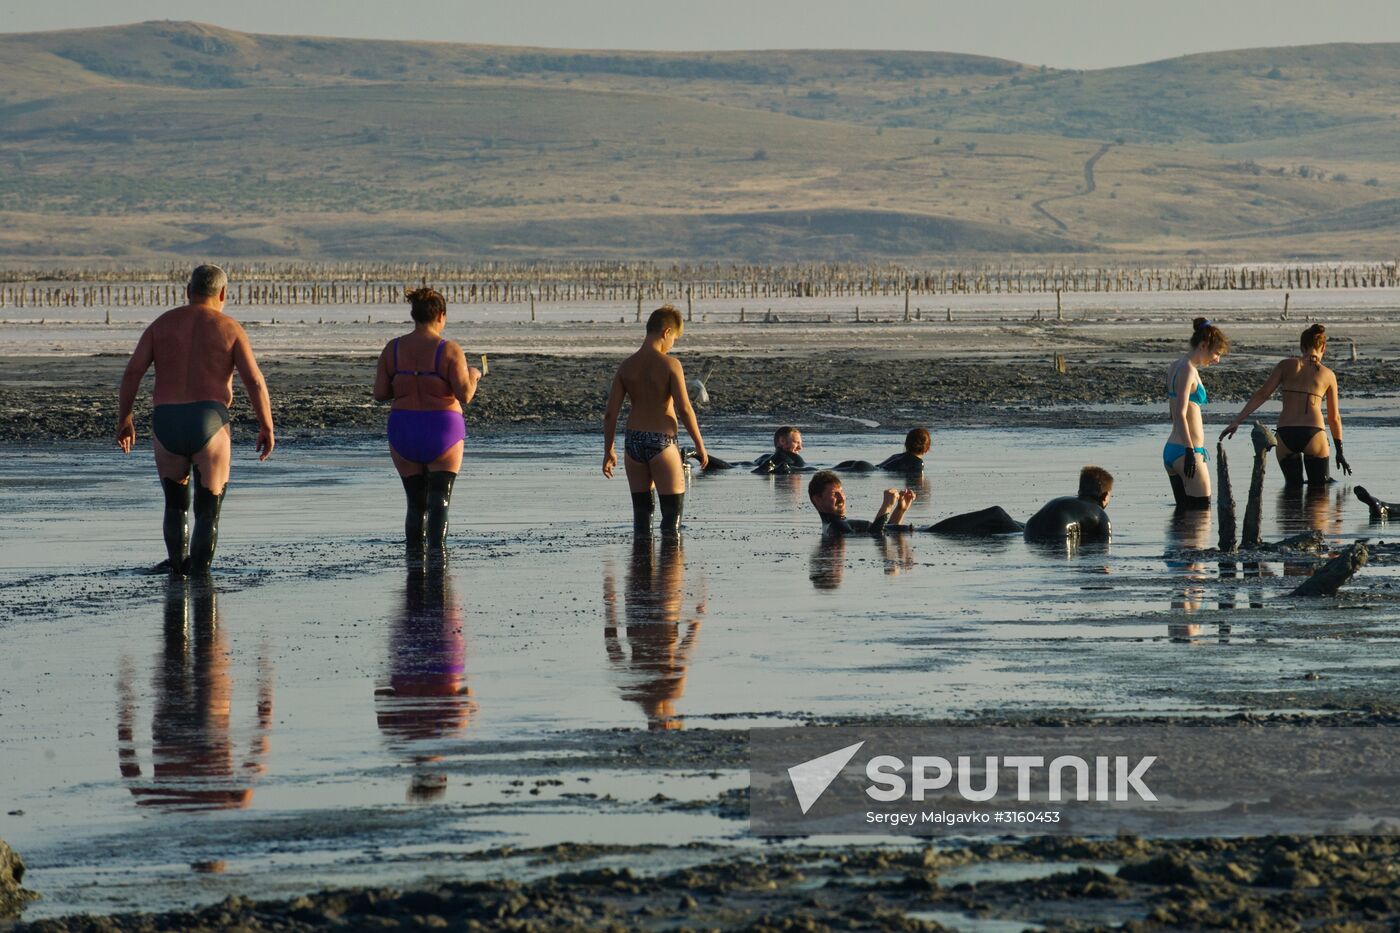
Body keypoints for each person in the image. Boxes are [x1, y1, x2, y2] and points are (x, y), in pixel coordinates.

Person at [117, 264, 274, 576]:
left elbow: (133, 372)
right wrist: (266, 425)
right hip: (210, 420)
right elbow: (254, 382)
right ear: (223, 294)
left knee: (175, 506)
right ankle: (201, 580)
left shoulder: (160, 325)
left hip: (167, 421)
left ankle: (177, 570)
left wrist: (125, 418)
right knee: (207, 512)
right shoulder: (230, 328)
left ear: (188, 291)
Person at [374, 287, 481, 569]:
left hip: (404, 429)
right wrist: (474, 374)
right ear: (441, 317)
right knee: (439, 501)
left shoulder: (393, 349)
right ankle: (437, 567)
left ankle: (413, 566)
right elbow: (465, 394)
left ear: (414, 315)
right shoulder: (449, 350)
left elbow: (380, 393)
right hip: (442, 429)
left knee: (415, 504)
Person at [603, 306, 708, 533]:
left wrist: (608, 450)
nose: (673, 345)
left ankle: (640, 568)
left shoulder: (626, 366)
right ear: (666, 332)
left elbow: (611, 413)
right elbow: (685, 409)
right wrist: (700, 445)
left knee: (642, 519)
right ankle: (671, 568)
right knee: (672, 520)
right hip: (663, 442)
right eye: (675, 339)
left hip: (634, 443)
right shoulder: (670, 365)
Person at [1220, 324, 1350, 487]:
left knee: (1292, 491)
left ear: (1302, 346)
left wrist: (1237, 421)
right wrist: (1340, 451)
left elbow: (1262, 394)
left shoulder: (1285, 366)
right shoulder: (1328, 374)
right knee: (1319, 493)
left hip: (1285, 434)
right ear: (1323, 347)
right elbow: (1334, 418)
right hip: (1314, 433)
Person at [1164, 318, 1230, 509]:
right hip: (1186, 452)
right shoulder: (1188, 370)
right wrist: (1190, 451)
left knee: (1182, 522)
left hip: (1172, 449)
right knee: (1201, 515)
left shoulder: (1175, 365)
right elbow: (1180, 412)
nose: (1217, 359)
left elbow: (1172, 414)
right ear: (1203, 346)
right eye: (1216, 353)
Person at [807, 470, 915, 535]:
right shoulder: (835, 526)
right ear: (817, 499)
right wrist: (886, 507)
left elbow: (886, 531)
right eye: (835, 493)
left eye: (841, 491)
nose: (842, 497)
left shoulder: (837, 525)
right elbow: (876, 536)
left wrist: (900, 510)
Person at [1024, 466, 1114, 542]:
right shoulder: (1100, 513)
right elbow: (1105, 543)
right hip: (1059, 534)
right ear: (1105, 496)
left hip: (1030, 529)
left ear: (1079, 491)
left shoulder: (1064, 502)